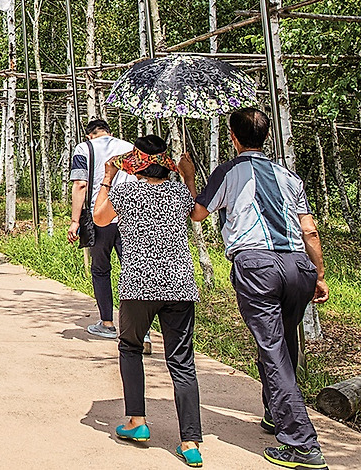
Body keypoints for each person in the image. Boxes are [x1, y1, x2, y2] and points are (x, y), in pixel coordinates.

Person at [193, 108, 329, 470]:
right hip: (298, 265)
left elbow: (198, 214)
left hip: (256, 266)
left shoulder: (229, 171)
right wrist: (318, 274)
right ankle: (275, 412)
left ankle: (302, 445)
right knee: (283, 342)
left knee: (273, 351)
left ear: (233, 138)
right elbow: (310, 231)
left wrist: (190, 178)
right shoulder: (289, 176)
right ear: (265, 136)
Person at [95, 136, 203, 468]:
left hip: (139, 284)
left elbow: (100, 218)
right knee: (182, 361)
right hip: (179, 285)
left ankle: (136, 421)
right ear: (165, 162)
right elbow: (198, 214)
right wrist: (189, 176)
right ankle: (190, 442)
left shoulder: (125, 192)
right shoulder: (180, 193)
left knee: (130, 347)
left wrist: (107, 178)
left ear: (135, 163)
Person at [67, 118, 136, 340]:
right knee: (133, 270)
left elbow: (80, 183)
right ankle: (139, 329)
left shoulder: (83, 148)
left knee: (101, 270)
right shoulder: (129, 148)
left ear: (89, 135)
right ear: (109, 132)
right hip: (129, 217)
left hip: (101, 217)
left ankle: (107, 322)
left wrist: (75, 221)